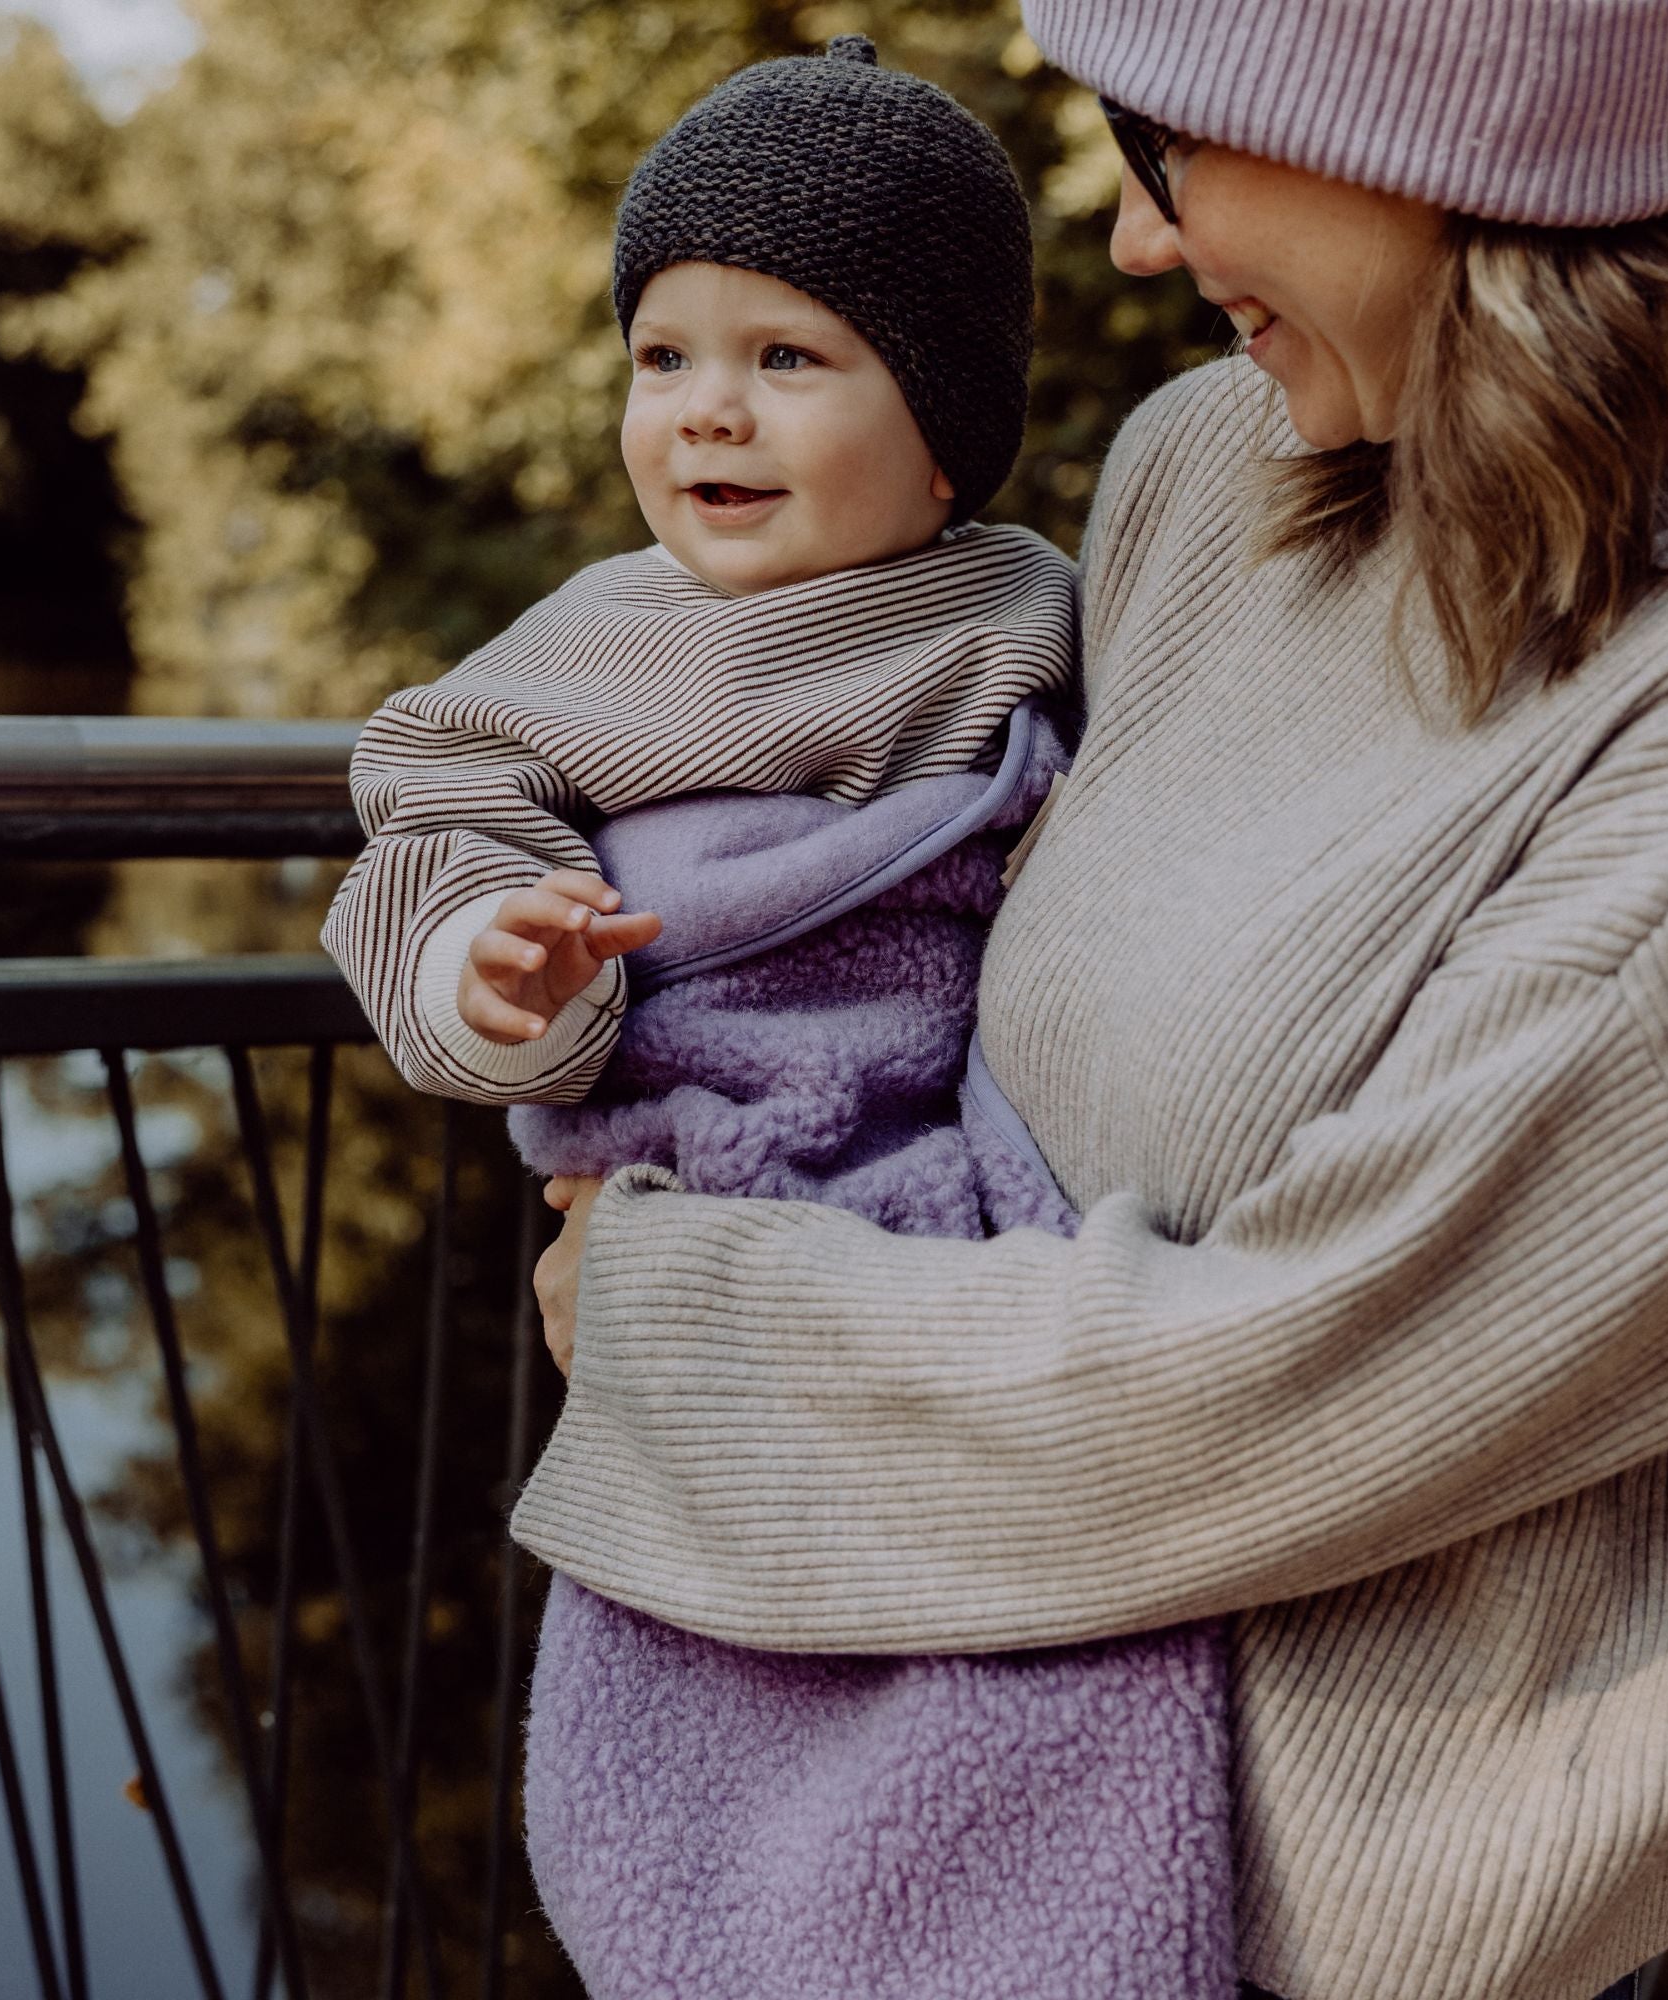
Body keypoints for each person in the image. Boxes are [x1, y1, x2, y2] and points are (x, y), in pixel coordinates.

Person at [514, 3, 1668, 1998]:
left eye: (1165, 142)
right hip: (916, 1800)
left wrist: (682, 1326)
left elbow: (1339, 1366)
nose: (1129, 238)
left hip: (1345, 1930)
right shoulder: (1216, 467)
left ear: (1407, 124)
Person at [321, 36, 1239, 2000]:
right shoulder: (576, 659)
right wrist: (504, 978)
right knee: (724, 1703)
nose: (706, 414)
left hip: (968, 1211)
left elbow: (1117, 840)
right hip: (708, 1196)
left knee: (1034, 1664)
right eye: (664, 355)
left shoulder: (1025, 614)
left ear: (945, 431)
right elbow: (427, 852)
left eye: (787, 359)